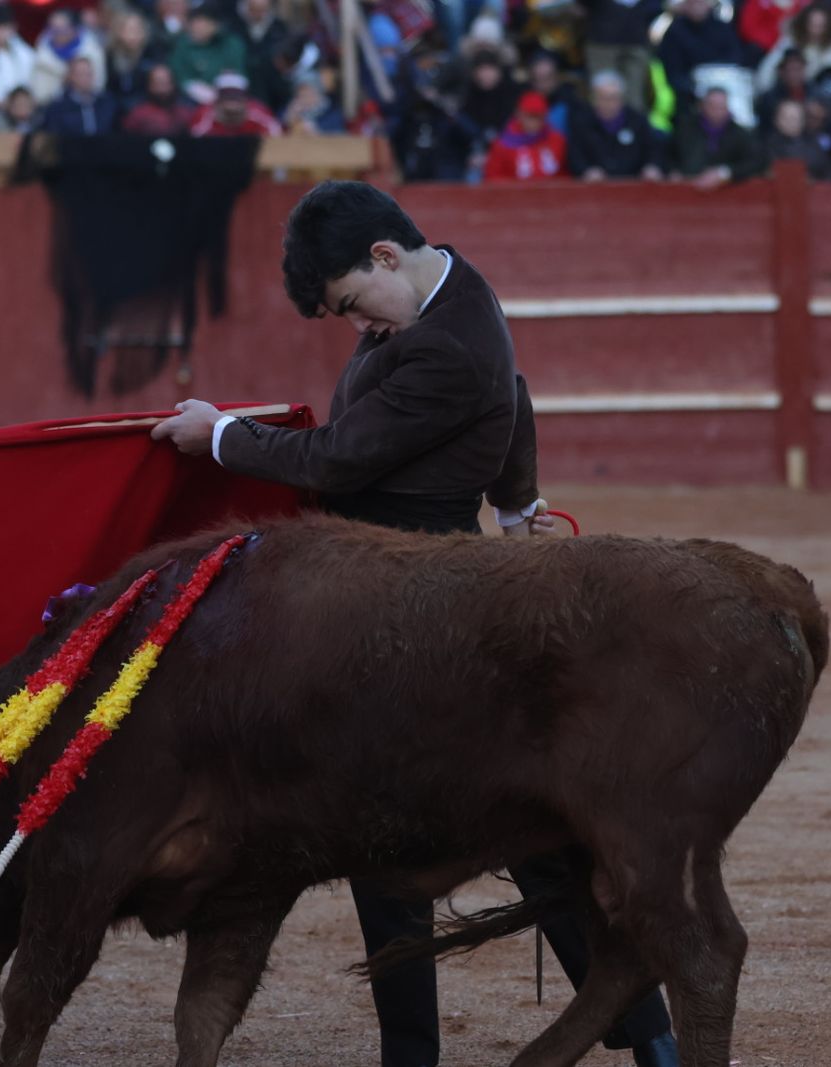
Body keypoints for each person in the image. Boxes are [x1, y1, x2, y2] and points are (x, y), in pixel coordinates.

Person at [148, 180, 680, 1067]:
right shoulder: (450, 297)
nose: (357, 326)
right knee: (531, 836)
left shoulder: (448, 342)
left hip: (416, 613)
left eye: (353, 303)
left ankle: (451, 1050)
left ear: (385, 256)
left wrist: (221, 436)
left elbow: (342, 454)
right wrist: (518, 507)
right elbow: (513, 391)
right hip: (414, 594)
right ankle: (648, 1041)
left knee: (412, 831)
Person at [567, 69, 664, 180]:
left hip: (634, 186)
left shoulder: (637, 121)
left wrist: (652, 166)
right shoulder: (581, 122)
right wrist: (585, 170)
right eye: (604, 98)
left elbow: (653, 151)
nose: (610, 104)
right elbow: (575, 156)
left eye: (614, 98)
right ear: (594, 99)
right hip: (595, 189)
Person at [668, 86, 767, 189]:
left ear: (727, 108)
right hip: (685, 190)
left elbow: (757, 162)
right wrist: (673, 171)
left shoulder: (741, 134)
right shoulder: (685, 128)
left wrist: (724, 173)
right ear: (702, 106)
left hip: (729, 196)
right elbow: (669, 155)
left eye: (720, 107)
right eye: (712, 106)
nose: (716, 111)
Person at [483, 91, 567, 181]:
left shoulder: (556, 140)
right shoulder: (503, 145)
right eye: (530, 116)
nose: (534, 122)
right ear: (519, 114)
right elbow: (492, 178)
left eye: (539, 116)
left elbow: (565, 174)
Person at [37, 55, 119, 135]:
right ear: (71, 76)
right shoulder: (58, 108)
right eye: (80, 74)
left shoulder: (107, 103)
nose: (85, 78)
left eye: (88, 74)